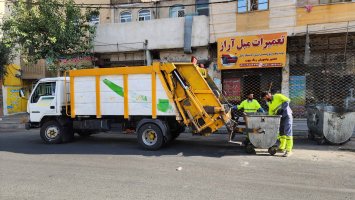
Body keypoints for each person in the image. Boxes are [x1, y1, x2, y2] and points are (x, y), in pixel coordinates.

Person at [261, 91, 293, 157]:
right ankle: (282, 148)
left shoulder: (277, 96)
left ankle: (289, 150)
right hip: (280, 117)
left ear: (267, 95)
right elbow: (271, 112)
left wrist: (282, 109)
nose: (265, 100)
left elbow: (288, 100)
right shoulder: (270, 103)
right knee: (281, 133)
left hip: (287, 115)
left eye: (264, 98)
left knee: (287, 132)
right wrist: (269, 120)